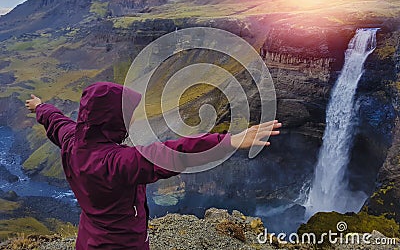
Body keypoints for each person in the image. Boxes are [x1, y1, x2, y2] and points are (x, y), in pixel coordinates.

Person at [25, 81, 281, 249]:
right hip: (123, 242)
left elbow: (56, 121)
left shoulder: (72, 140)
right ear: (111, 120)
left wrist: (40, 107)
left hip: (89, 236)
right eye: (127, 116)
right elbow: (171, 154)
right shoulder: (116, 163)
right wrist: (229, 142)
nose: (131, 123)